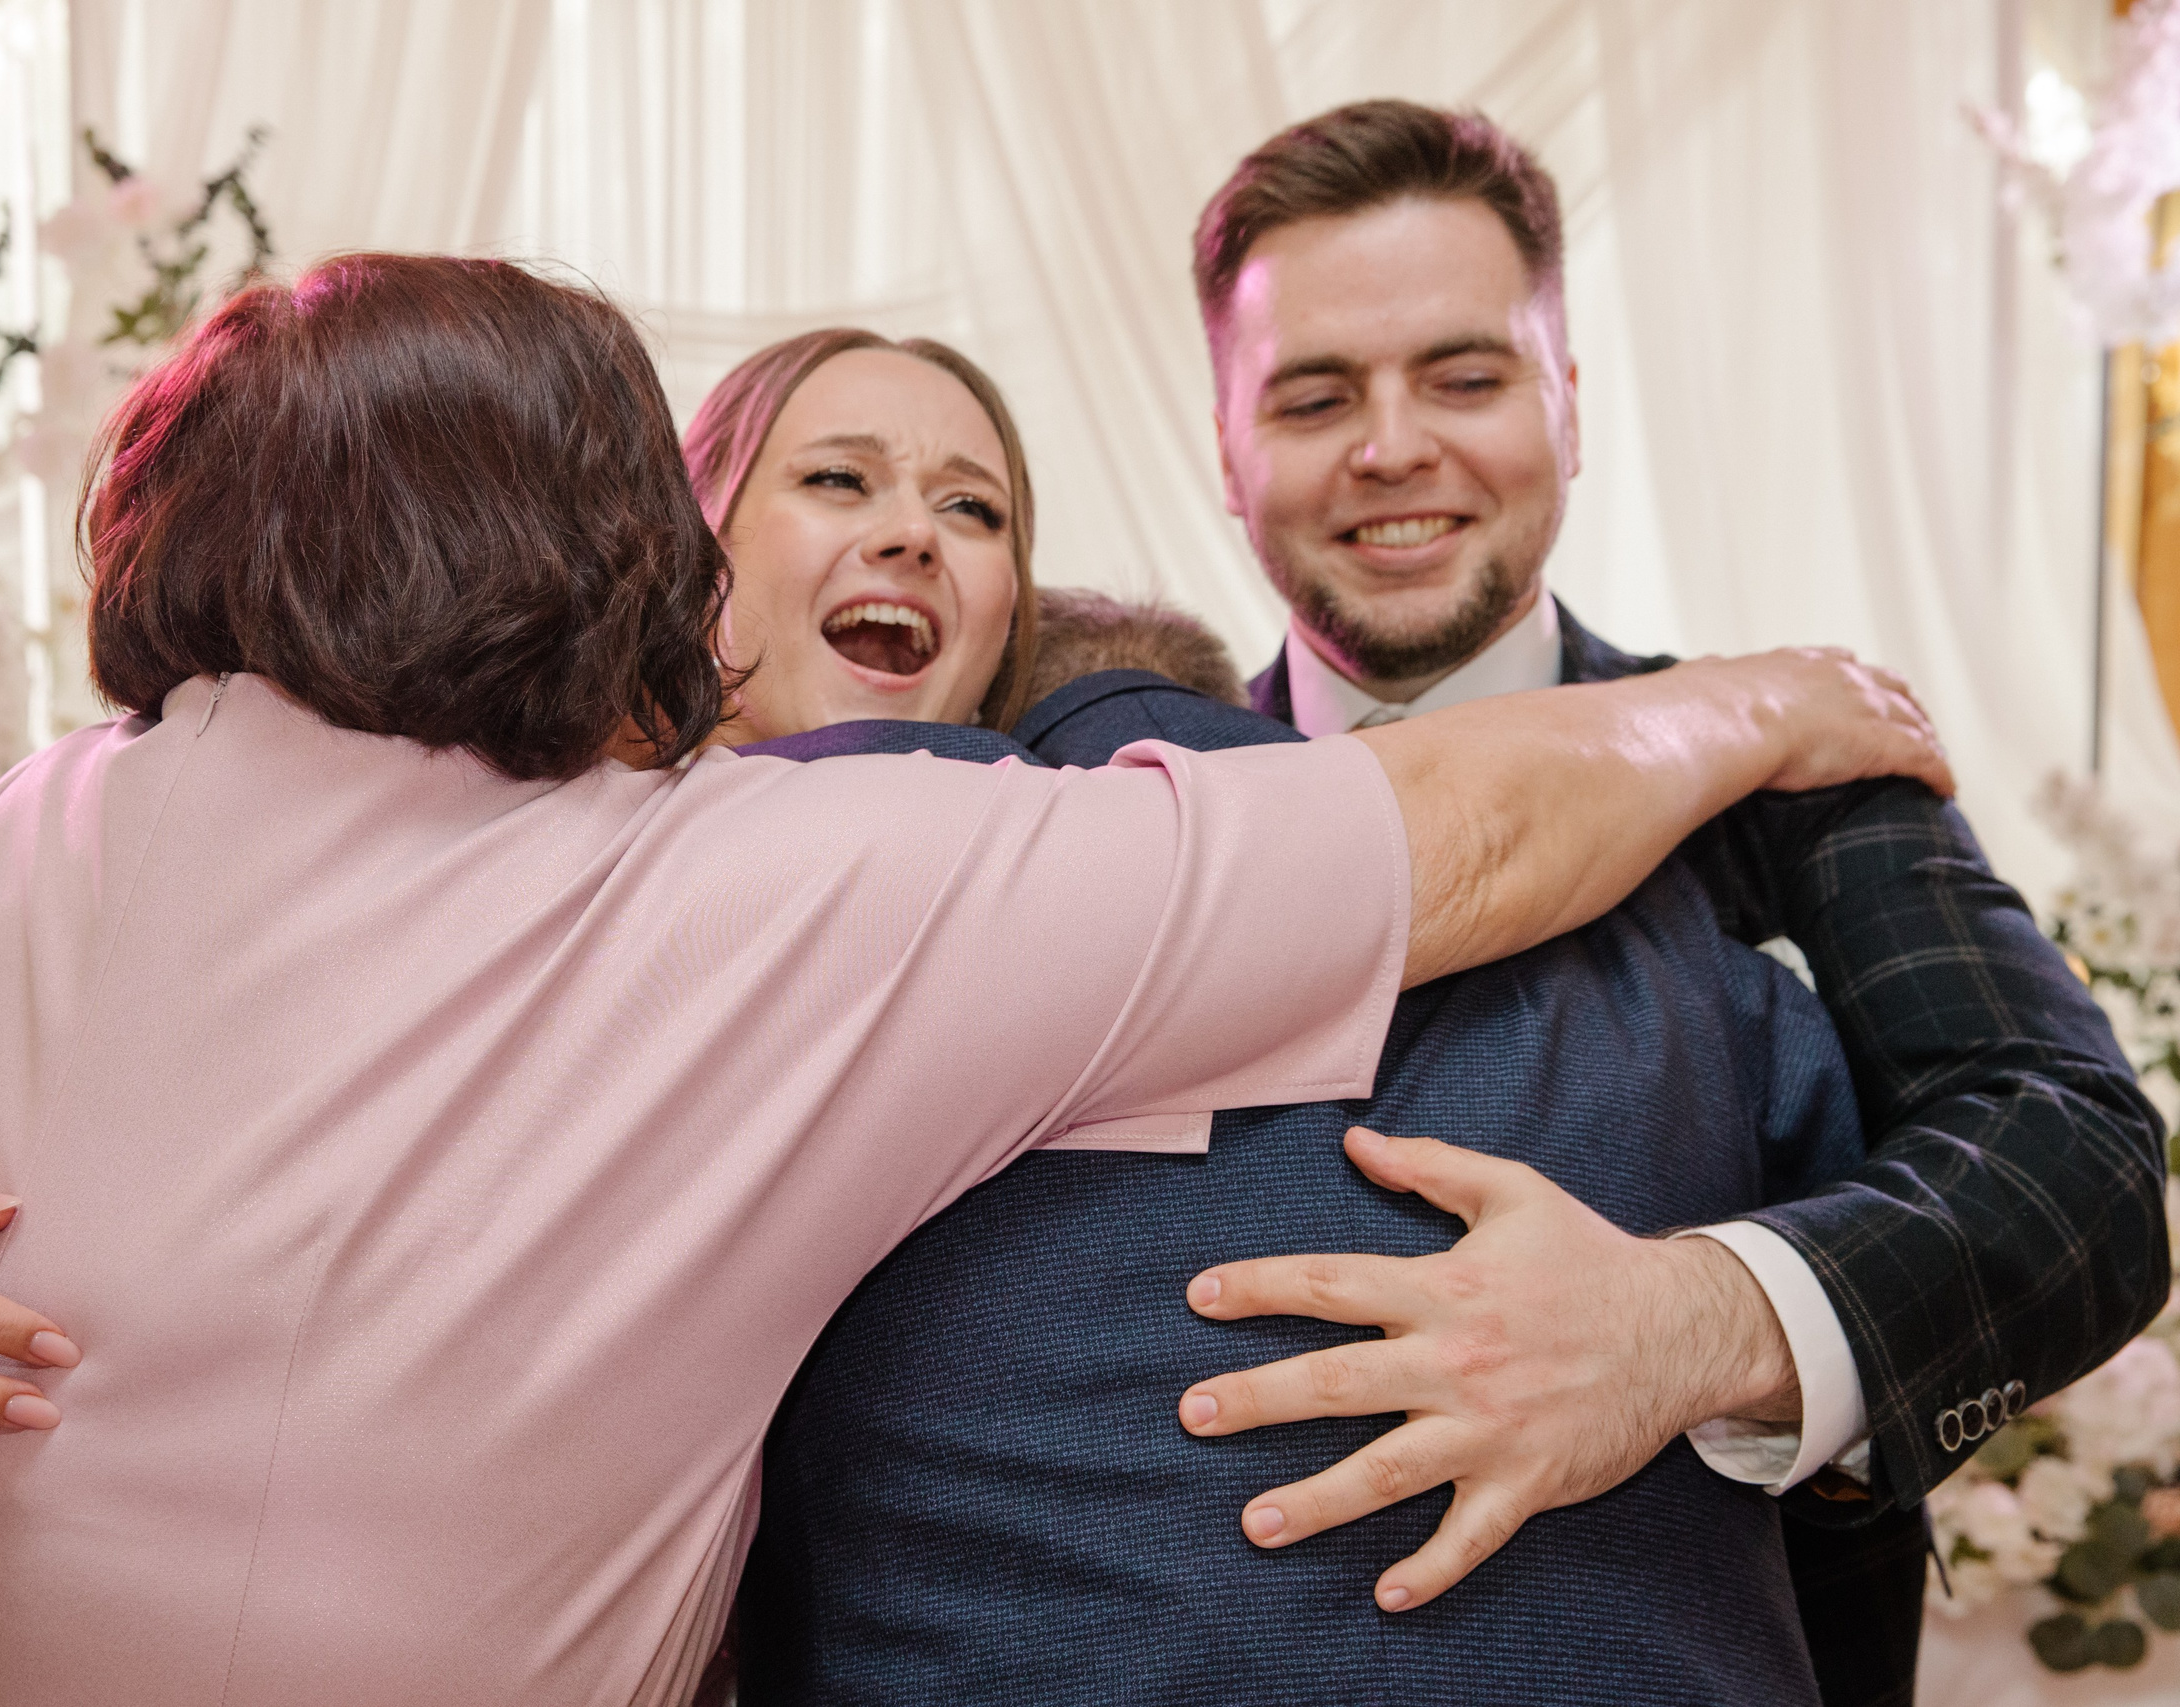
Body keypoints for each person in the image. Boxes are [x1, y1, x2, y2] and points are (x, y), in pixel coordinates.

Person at [0, 252, 1945, 1707]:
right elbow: (1451, 833)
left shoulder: (55, 808)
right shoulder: (787, 881)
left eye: (970, 500)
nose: (905, 534)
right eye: (827, 475)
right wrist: (1761, 696)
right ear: (668, 550)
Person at [738, 100, 2155, 1707]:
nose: (1392, 445)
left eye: (1465, 379)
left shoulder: (1797, 752)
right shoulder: (1111, 799)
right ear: (1225, 446)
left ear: (1568, 404)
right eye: (1319, 394)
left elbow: (2075, 1159)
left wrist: (1689, 1324)